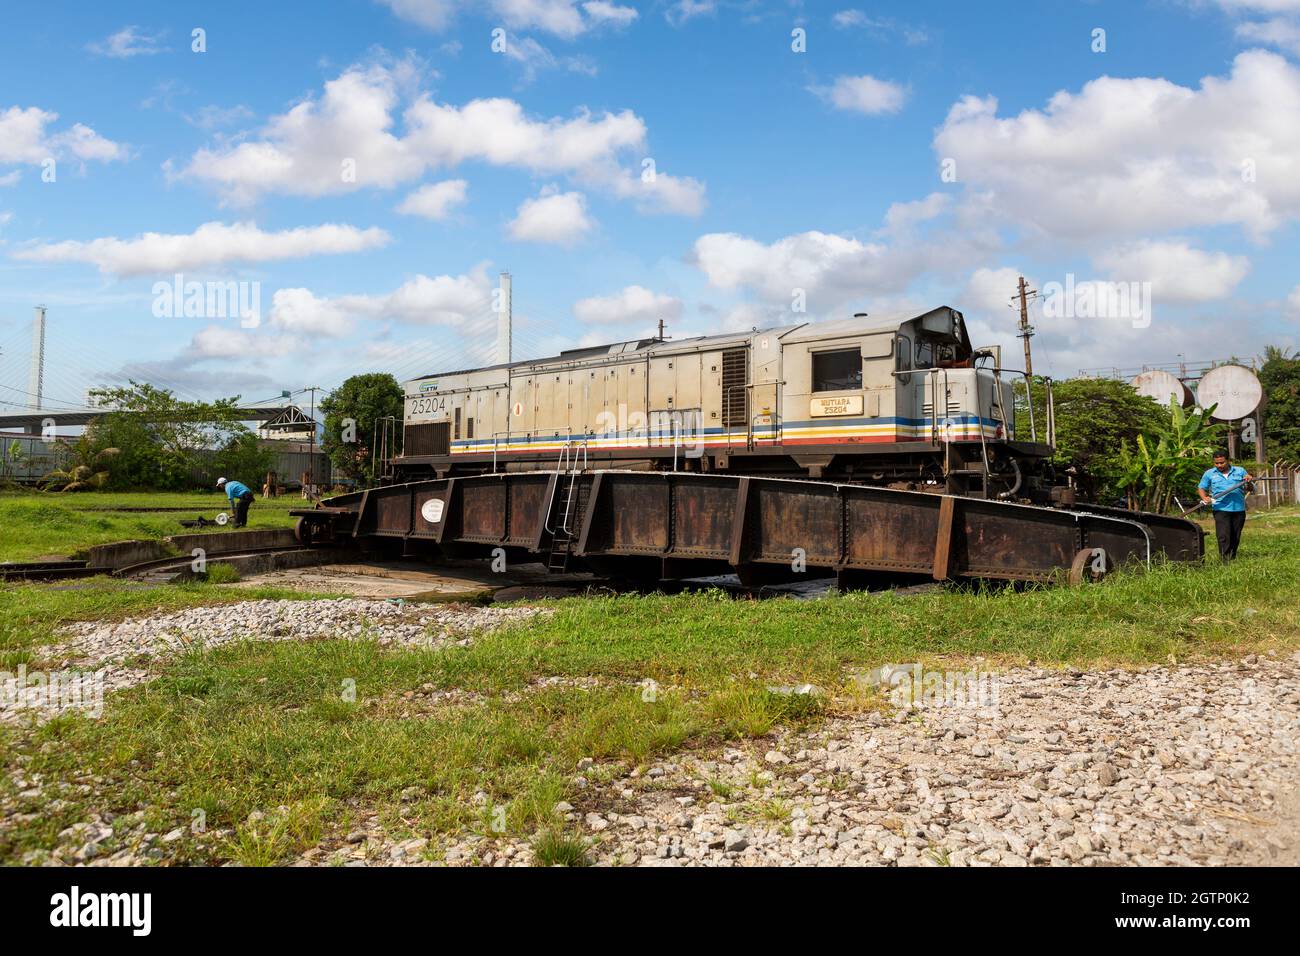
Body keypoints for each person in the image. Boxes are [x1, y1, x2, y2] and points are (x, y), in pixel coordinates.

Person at [1197, 452, 1254, 560]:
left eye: (1222, 462)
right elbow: (1201, 487)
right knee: (1223, 535)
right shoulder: (1209, 473)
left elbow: (1250, 489)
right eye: (1216, 463)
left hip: (1238, 508)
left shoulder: (1240, 471)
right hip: (1220, 508)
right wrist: (1204, 498)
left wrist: (1249, 481)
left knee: (1235, 535)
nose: (1219, 465)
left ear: (1228, 461)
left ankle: (1232, 557)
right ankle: (1224, 559)